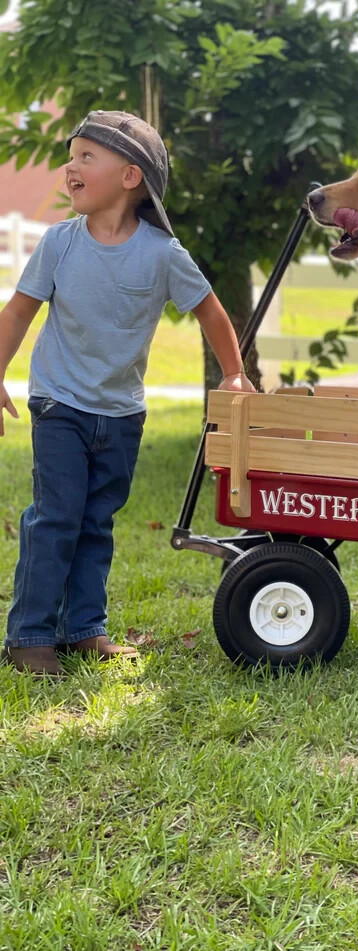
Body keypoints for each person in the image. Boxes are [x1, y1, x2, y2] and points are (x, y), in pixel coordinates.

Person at [0, 110, 253, 676]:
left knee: (96, 522)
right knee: (56, 517)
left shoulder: (163, 254)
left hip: (121, 415)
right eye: (72, 156)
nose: (71, 167)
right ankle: (31, 635)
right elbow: (18, 311)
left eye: (87, 156)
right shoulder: (60, 243)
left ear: (130, 176)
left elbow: (211, 311)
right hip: (59, 405)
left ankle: (84, 629)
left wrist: (233, 373)